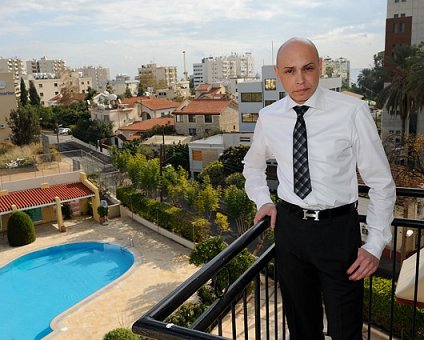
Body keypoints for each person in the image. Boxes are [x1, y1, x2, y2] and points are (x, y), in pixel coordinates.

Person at [242, 37, 396, 340]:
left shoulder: (352, 111)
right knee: (301, 328)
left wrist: (375, 244)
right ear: (278, 74)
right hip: (289, 233)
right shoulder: (269, 117)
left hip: (338, 233)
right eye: (290, 71)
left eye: (308, 68)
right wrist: (263, 200)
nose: (300, 80)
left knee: (345, 330)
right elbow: (252, 166)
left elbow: (381, 182)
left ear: (321, 67)